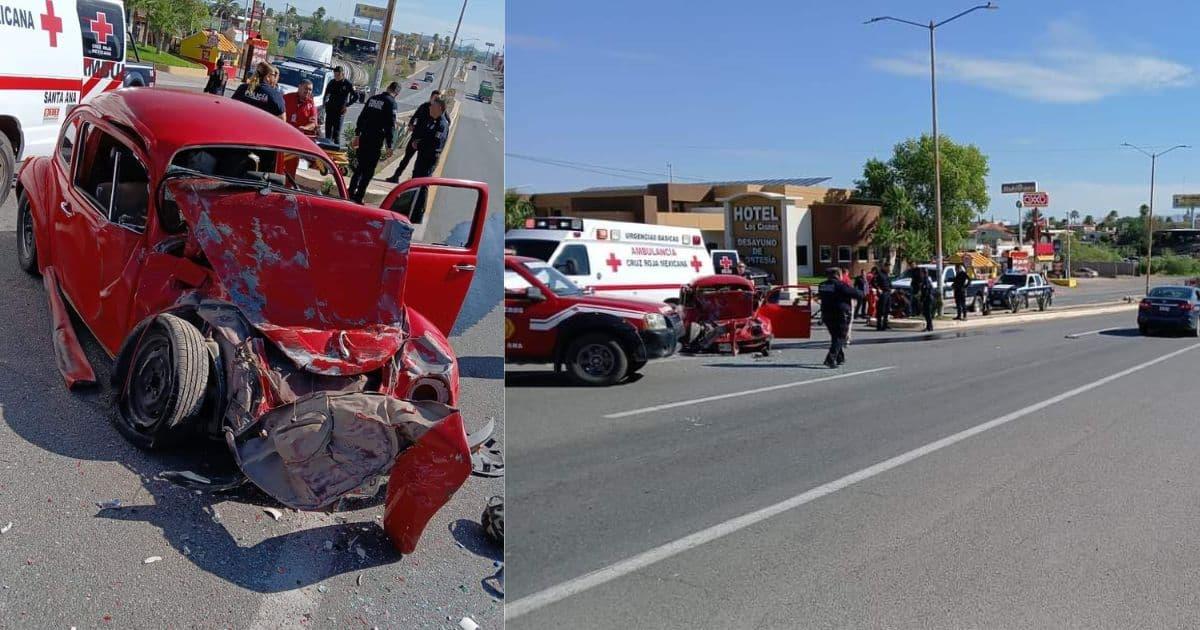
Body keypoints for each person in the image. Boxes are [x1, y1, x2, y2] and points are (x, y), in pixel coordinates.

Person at [347, 82, 399, 204]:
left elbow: (361, 117)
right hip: (376, 140)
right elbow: (390, 126)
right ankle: (359, 196)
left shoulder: (373, 99)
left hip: (364, 137)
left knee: (360, 167)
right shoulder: (391, 103)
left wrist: (357, 134)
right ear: (396, 93)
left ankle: (350, 193)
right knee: (368, 171)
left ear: (387, 88)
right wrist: (390, 145)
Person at [384, 90, 448, 183]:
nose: (436, 100)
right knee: (406, 158)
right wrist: (411, 124)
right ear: (431, 97)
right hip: (416, 136)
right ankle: (396, 176)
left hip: (426, 140)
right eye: (435, 98)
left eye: (438, 98)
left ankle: (414, 182)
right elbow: (415, 116)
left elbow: (446, 123)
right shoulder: (424, 107)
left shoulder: (439, 115)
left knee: (420, 165)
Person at [818, 267, 862, 368]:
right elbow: (856, 294)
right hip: (839, 314)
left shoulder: (822, 285)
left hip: (827, 314)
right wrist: (861, 292)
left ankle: (840, 357)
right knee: (840, 337)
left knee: (835, 336)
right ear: (838, 275)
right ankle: (830, 358)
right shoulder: (840, 285)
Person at [323, 66, 359, 143]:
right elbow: (326, 94)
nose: (336, 77)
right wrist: (325, 104)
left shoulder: (347, 83)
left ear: (342, 74)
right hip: (330, 109)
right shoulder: (332, 82)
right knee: (328, 133)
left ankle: (335, 151)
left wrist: (347, 105)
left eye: (338, 75)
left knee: (336, 134)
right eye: (335, 75)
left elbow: (356, 96)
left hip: (340, 111)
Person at [873, 266, 893, 330]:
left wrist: (891, 288)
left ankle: (885, 324)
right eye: (888, 267)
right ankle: (879, 325)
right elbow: (873, 282)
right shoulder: (879, 274)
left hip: (888, 293)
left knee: (887, 310)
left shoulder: (887, 274)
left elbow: (889, 283)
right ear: (884, 267)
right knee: (881, 310)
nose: (889, 268)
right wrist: (878, 288)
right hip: (883, 293)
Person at [916, 267, 936, 332]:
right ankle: (929, 327)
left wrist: (922, 299)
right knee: (927, 314)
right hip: (928, 298)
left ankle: (930, 327)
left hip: (928, 299)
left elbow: (926, 291)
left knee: (928, 314)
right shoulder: (926, 279)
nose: (920, 274)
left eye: (921, 272)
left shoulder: (926, 280)